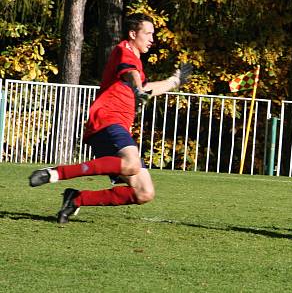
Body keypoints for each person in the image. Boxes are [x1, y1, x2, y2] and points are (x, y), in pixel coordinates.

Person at [28, 13, 193, 224]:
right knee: (132, 164)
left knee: (144, 193)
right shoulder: (124, 51)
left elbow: (144, 87)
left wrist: (174, 80)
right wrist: (137, 88)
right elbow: (131, 76)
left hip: (116, 127)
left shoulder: (136, 63)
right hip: (107, 120)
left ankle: (76, 199)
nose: (152, 39)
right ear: (133, 34)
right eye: (148, 33)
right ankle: (54, 173)